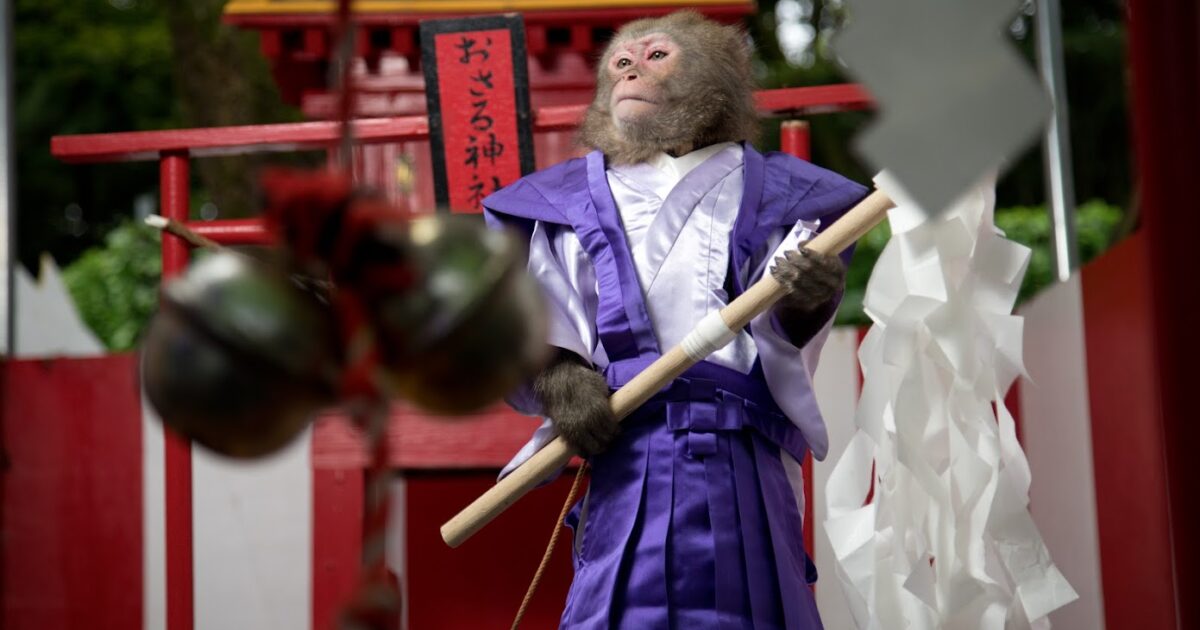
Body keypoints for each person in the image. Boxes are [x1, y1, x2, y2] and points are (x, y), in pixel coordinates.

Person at [483, 11, 867, 628]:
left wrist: (810, 296)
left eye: (656, 56)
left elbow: (785, 338)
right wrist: (560, 377)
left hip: (740, 450)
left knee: (755, 604)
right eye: (620, 62)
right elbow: (540, 311)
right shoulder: (559, 203)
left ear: (721, 72)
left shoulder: (786, 194)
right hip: (625, 451)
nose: (630, 71)